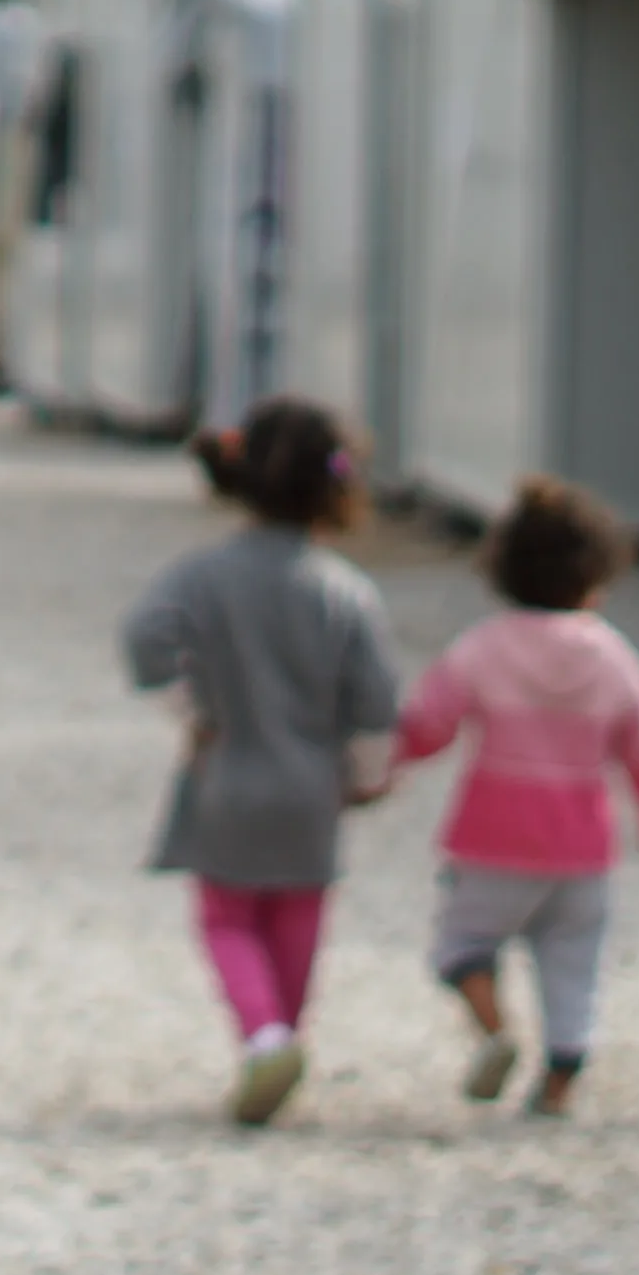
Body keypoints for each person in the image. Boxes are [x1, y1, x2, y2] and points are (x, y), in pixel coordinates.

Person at [125, 397, 404, 1125]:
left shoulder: (202, 577)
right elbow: (377, 698)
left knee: (226, 917)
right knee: (298, 915)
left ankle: (263, 1035)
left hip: (228, 773)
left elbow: (144, 637)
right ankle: (288, 1031)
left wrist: (191, 710)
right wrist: (368, 769)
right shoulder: (344, 590)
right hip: (313, 786)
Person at [392, 478, 639, 1117]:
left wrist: (385, 762)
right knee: (572, 961)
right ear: (597, 577)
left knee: (463, 943)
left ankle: (495, 1029)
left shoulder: (482, 648)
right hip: (582, 845)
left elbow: (428, 723)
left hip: (492, 837)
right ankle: (560, 1078)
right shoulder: (613, 656)